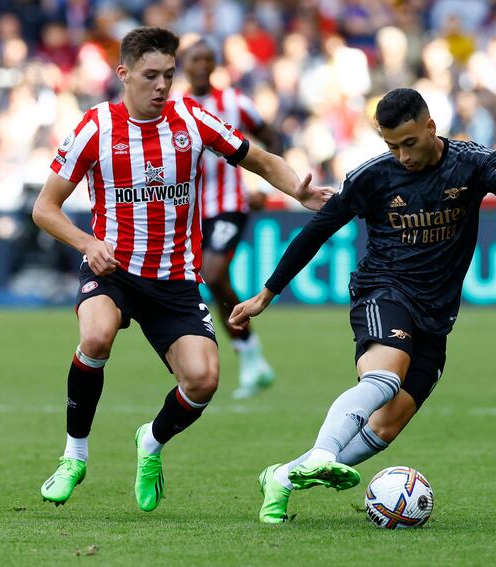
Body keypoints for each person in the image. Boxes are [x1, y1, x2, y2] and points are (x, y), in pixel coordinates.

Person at [228, 88, 496, 523]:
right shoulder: (373, 177)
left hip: (435, 313)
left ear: (430, 128)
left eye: (409, 143)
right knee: (384, 376)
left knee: (387, 425)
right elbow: (317, 231)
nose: (402, 155)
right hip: (382, 290)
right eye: (391, 145)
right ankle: (322, 453)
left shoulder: (472, 161)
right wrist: (266, 293)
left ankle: (284, 477)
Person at [33, 27, 331, 512]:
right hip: (115, 270)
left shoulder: (192, 119)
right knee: (96, 336)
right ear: (123, 73)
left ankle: (150, 441)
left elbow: (257, 158)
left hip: (173, 278)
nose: (161, 86)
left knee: (203, 380)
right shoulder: (95, 127)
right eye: (150, 75)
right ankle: (74, 456)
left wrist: (296, 190)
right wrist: (88, 243)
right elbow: (45, 208)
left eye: (168, 76)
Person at [182, 38, 283, 399]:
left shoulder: (235, 103)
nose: (202, 65)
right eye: (196, 59)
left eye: (209, 58)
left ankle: (251, 357)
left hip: (229, 204)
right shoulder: (176, 107)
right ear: (184, 64)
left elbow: (271, 139)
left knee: (212, 274)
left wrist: (264, 189)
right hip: (190, 210)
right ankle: (250, 357)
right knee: (209, 282)